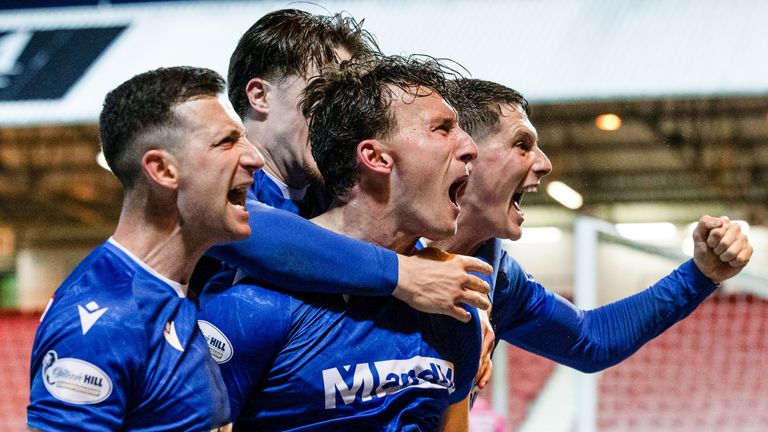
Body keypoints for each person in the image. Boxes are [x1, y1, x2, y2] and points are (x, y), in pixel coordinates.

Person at [429, 79, 753, 409]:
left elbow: (591, 339)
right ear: (465, 154)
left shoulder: (499, 280)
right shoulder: (382, 257)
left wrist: (700, 274)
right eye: (522, 145)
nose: (544, 164)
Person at [198, 56, 483, 431]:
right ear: (375, 157)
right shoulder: (252, 305)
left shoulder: (454, 306)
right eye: (443, 128)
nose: (470, 147)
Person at [194, 9, 492, 323]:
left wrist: (477, 309)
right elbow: (253, 231)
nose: (336, 112)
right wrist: (401, 273)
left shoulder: (334, 192)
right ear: (260, 96)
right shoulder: (203, 171)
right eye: (322, 89)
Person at [27, 66, 263, 431]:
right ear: (164, 171)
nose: (254, 158)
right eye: (226, 142)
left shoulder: (172, 292)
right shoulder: (102, 321)